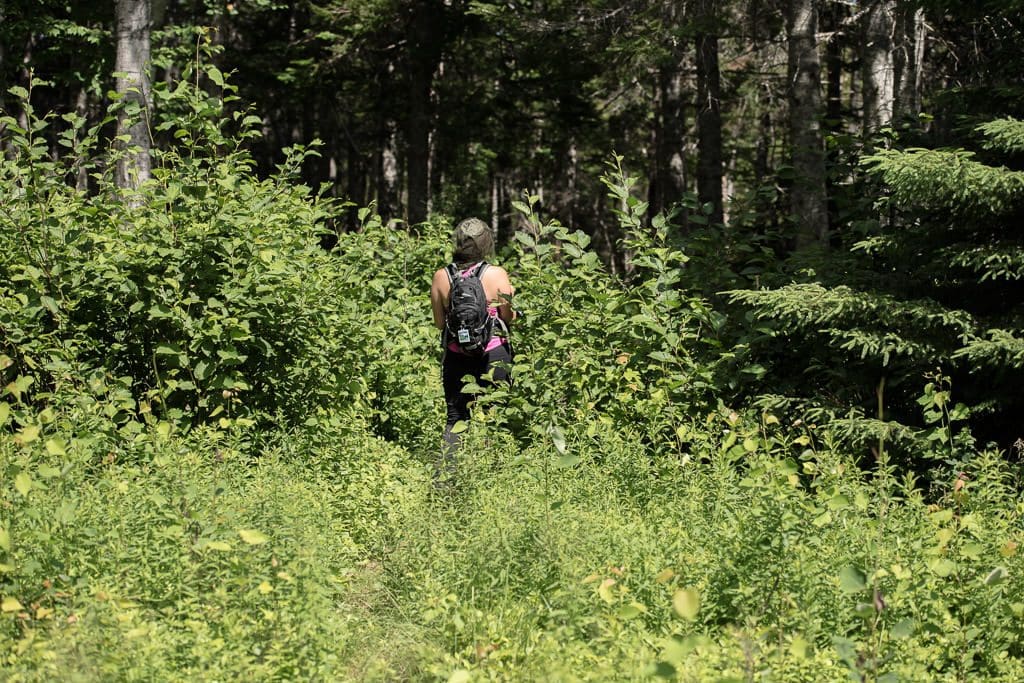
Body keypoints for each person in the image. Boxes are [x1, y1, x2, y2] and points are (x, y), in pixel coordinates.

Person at [430, 218, 516, 469]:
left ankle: (446, 479)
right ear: (485, 243)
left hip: (457, 356)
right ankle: (494, 475)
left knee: (456, 418)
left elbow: (439, 323)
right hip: (494, 353)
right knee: (496, 416)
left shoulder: (441, 276)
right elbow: (509, 317)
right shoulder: (497, 274)